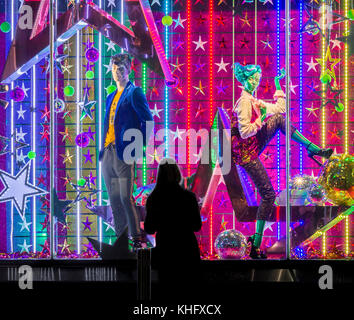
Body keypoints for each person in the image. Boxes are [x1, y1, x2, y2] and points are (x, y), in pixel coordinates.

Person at [231, 63, 333, 259]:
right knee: (268, 195)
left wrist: (278, 83)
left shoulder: (253, 99)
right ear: (245, 80)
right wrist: (260, 118)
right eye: (253, 79)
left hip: (251, 146)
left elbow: (280, 108)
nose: (256, 82)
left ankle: (312, 148)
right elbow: (244, 132)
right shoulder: (244, 102)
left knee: (279, 118)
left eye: (258, 79)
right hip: (244, 153)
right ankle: (256, 244)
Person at [99, 53, 153, 251]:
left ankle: (138, 239)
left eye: (121, 69)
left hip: (124, 153)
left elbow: (148, 121)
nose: (117, 73)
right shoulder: (110, 96)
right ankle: (122, 239)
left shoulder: (134, 92)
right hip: (108, 152)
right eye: (114, 69)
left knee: (125, 197)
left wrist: (137, 148)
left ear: (129, 70)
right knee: (114, 199)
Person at [144, 158, 202, 299]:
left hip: (166, 251)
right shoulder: (189, 197)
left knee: (167, 293)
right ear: (178, 174)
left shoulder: (154, 198)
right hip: (188, 251)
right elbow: (197, 226)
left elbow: (149, 228)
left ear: (159, 176)